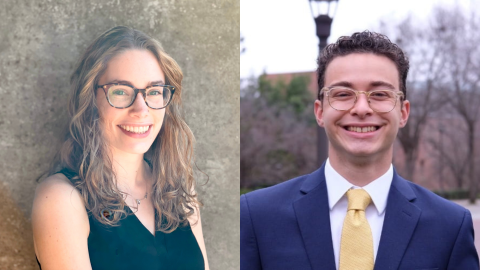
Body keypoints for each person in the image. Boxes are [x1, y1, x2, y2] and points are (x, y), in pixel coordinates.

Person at [240, 31, 479, 270]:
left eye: (379, 94)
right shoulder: (256, 216)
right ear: (320, 111)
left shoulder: (450, 226)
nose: (362, 108)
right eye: (343, 94)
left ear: (403, 112)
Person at [32, 26, 209, 270]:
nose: (141, 109)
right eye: (120, 91)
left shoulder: (177, 189)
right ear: (90, 100)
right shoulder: (62, 199)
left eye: (154, 91)